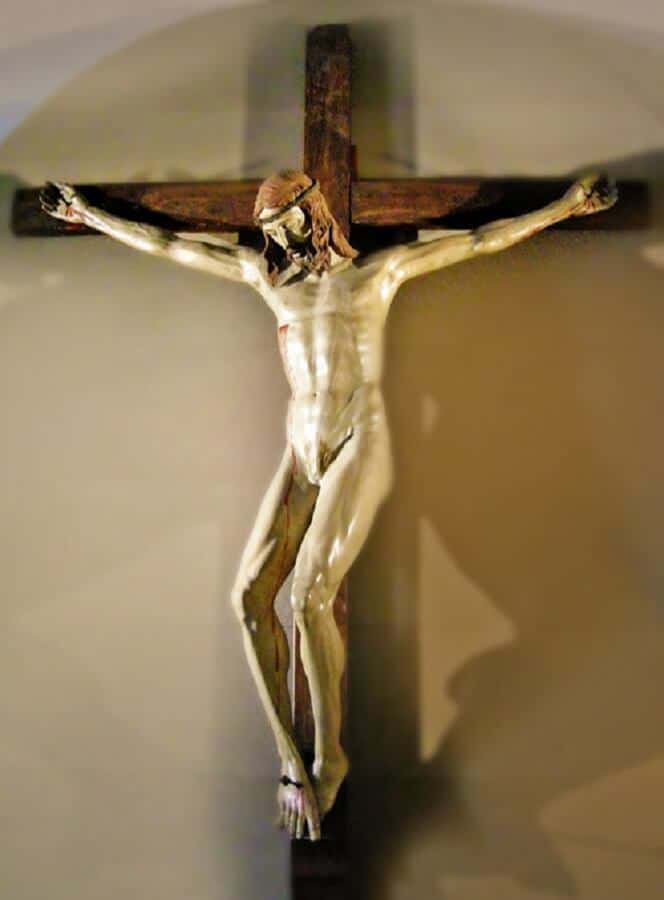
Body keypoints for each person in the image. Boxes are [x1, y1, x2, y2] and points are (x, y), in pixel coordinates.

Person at [41, 169, 616, 840]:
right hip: (300, 448)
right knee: (248, 599)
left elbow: (481, 239)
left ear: (311, 209)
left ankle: (329, 757)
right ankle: (290, 757)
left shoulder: (380, 273)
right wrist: (89, 215)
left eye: (281, 222)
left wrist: (564, 207)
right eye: (266, 229)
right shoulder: (269, 280)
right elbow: (171, 245)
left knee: (310, 595)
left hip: (357, 437)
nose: (274, 238)